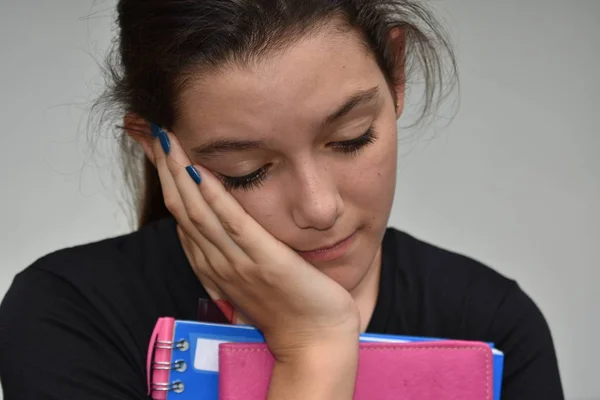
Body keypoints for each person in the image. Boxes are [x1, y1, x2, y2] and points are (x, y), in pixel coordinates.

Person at [0, 0, 564, 399]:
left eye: (351, 138)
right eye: (246, 171)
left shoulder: (491, 322)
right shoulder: (73, 314)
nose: (319, 210)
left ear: (396, 73)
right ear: (157, 148)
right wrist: (314, 349)